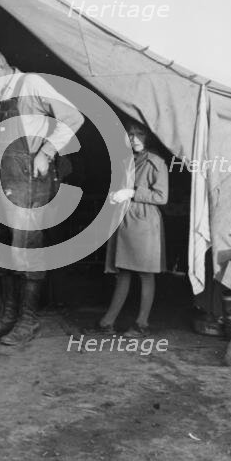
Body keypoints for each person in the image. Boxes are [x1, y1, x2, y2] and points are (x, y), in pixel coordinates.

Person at [0, 43, 84, 346]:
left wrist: (47, 152)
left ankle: (28, 321)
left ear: (0, 66)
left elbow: (73, 118)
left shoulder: (32, 84)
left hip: (29, 185)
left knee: (26, 251)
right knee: (2, 253)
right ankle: (8, 318)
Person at [99, 122, 168, 336]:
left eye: (140, 134)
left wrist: (133, 192)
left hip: (145, 222)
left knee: (146, 274)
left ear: (149, 137)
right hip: (126, 219)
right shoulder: (127, 160)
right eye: (131, 134)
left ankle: (141, 323)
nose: (135, 138)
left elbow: (162, 196)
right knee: (124, 272)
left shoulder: (156, 162)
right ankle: (107, 322)